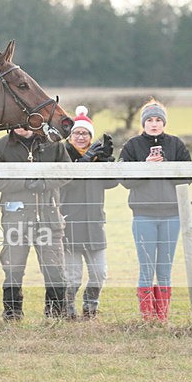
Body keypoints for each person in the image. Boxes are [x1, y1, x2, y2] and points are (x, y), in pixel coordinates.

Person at [119, 98, 192, 322]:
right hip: (143, 214)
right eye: (149, 119)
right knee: (146, 266)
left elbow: (188, 176)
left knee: (165, 268)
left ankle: (162, 317)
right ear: (143, 122)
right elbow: (125, 179)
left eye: (158, 119)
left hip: (171, 214)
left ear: (164, 122)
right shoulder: (132, 146)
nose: (153, 124)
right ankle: (147, 317)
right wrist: (146, 167)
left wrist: (166, 166)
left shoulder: (176, 144)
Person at [0, 127, 72, 321]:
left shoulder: (53, 144)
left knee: (54, 268)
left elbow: (67, 172)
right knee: (13, 268)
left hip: (48, 219)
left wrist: (44, 183)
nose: (21, 125)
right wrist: (24, 182)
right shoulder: (1, 146)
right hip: (15, 219)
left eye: (25, 121)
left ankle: (56, 315)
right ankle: (12, 313)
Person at [60, 106, 119, 319]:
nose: (81, 137)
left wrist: (106, 162)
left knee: (99, 273)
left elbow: (112, 184)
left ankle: (90, 307)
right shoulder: (62, 154)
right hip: (70, 222)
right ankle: (68, 310)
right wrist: (83, 164)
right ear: (70, 135)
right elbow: (63, 183)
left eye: (85, 133)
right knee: (73, 276)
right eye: (76, 132)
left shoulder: (96, 157)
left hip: (94, 222)